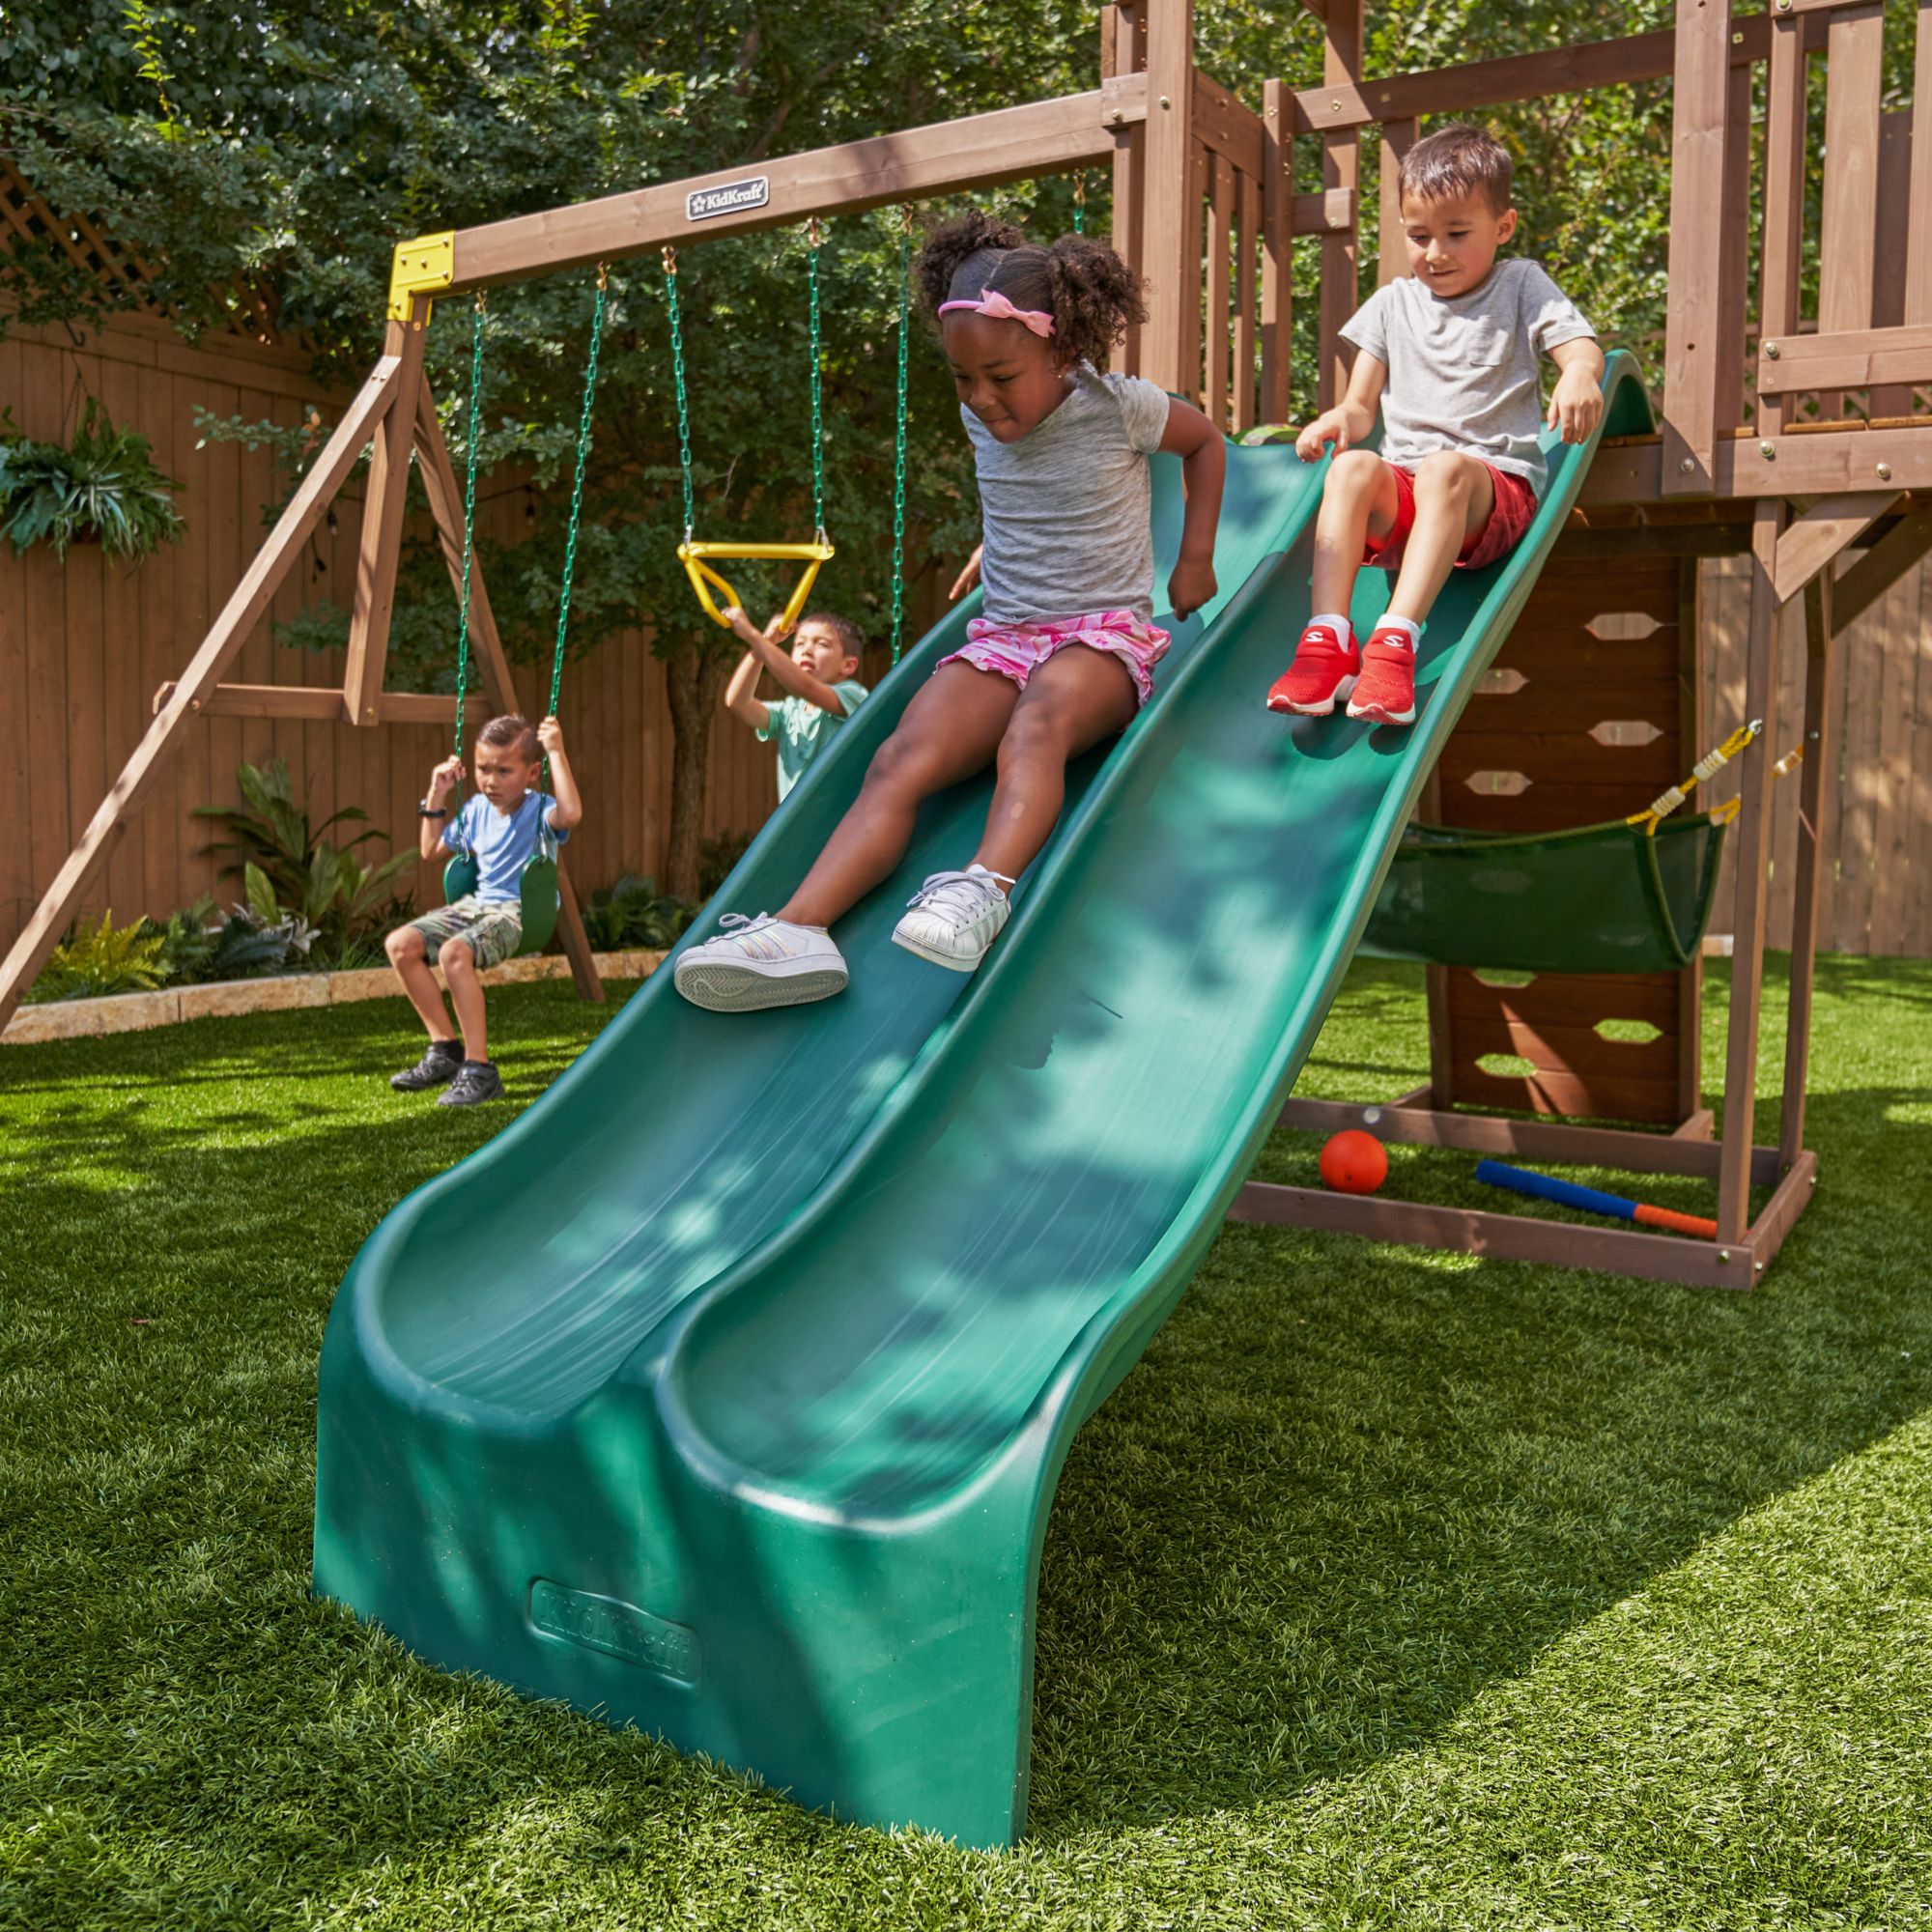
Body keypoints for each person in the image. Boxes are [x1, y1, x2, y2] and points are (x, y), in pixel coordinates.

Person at [674, 211, 1226, 1013]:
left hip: (1100, 636)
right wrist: (990, 546)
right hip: (1006, 633)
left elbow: (1205, 443)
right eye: (964, 379)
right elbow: (1025, 497)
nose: (981, 399)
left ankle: (982, 889)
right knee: (901, 756)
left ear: (1062, 351)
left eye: (1000, 376)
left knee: (1036, 726)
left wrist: (1196, 557)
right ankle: (799, 929)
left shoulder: (1120, 406)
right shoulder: (979, 415)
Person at [1266, 122, 1605, 728]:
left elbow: (1579, 346)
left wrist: (1579, 374)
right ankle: (1327, 641)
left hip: (1488, 496)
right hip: (1410, 497)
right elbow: (1361, 407)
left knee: (1444, 469)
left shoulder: (1520, 284)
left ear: (1503, 227)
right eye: (1419, 236)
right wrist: (1338, 418)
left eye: (1456, 234)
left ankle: (1394, 642)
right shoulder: (1391, 304)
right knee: (1352, 468)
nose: (1435, 253)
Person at [384, 712, 582, 1105]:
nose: (491, 780)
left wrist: (557, 752)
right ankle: (445, 1049)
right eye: (483, 769)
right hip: (479, 906)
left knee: (454, 953)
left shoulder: (539, 809)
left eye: (503, 771)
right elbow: (430, 850)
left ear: (532, 773)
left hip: (519, 912)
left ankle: (479, 1069)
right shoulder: (476, 809)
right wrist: (437, 793)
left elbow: (571, 815)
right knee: (400, 944)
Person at [720, 605, 869, 801]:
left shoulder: (854, 696)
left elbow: (806, 687)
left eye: (821, 644)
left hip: (842, 819)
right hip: (795, 821)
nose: (806, 650)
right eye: (799, 644)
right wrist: (766, 641)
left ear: (848, 665)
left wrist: (752, 635)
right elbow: (738, 702)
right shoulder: (789, 713)